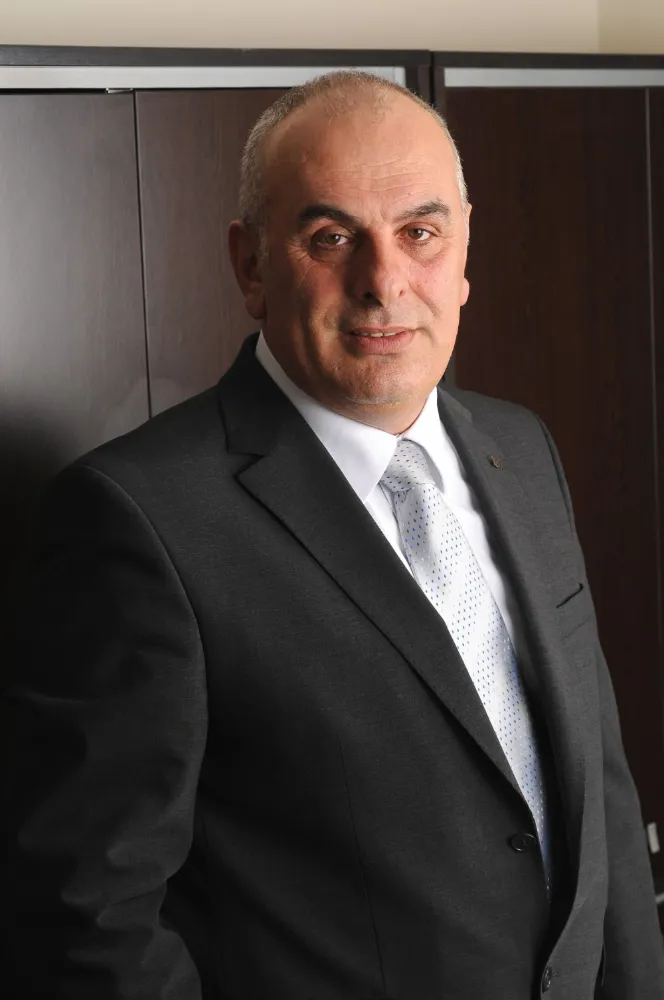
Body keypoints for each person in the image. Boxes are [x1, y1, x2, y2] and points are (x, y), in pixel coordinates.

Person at [4, 70, 663, 999]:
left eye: (420, 232)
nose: (384, 281)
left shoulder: (522, 449)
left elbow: (599, 790)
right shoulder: (138, 519)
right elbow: (88, 918)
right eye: (331, 237)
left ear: (463, 250)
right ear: (250, 264)